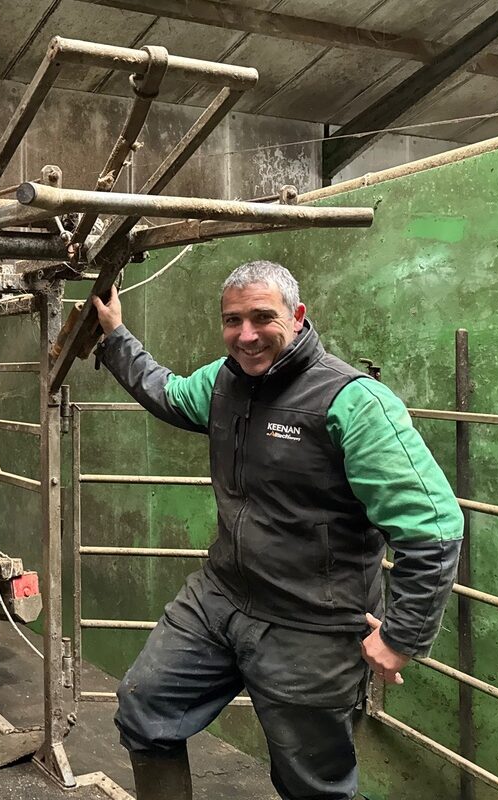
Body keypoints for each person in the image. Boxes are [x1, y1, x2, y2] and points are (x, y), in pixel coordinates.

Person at [89, 261, 463, 800]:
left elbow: (432, 527)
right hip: (220, 599)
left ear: (298, 315)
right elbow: (167, 392)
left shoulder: (352, 402)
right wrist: (117, 338)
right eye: (233, 320)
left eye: (263, 317)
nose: (246, 335)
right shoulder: (223, 382)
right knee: (145, 707)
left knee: (311, 783)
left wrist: (403, 635)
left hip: (309, 623)